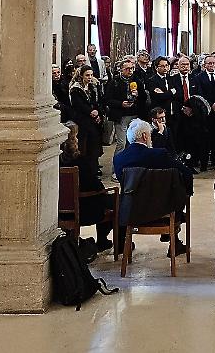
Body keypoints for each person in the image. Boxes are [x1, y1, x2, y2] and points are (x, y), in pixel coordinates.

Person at [113, 119, 194, 256]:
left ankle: (123, 243)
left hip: (132, 210)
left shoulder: (119, 159)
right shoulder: (159, 155)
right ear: (145, 136)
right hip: (162, 208)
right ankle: (174, 237)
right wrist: (187, 193)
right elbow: (186, 173)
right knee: (178, 194)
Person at [59, 121, 114, 250]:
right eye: (76, 136)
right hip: (85, 210)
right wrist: (103, 190)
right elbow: (95, 186)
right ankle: (102, 240)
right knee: (114, 200)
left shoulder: (53, 162)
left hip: (58, 210)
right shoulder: (81, 162)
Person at [104, 57, 145, 179]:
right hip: (121, 116)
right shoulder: (114, 82)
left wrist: (138, 95)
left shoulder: (137, 81)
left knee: (132, 144)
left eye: (132, 68)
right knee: (121, 143)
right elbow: (107, 99)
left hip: (134, 115)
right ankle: (116, 170)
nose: (130, 71)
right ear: (121, 69)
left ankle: (130, 168)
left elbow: (144, 98)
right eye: (127, 69)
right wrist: (121, 104)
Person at [68, 66, 105, 169]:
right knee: (85, 146)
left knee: (94, 144)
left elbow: (96, 102)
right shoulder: (76, 89)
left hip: (93, 119)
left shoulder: (92, 87)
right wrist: (90, 112)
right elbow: (78, 104)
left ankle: (94, 165)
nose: (90, 77)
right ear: (81, 76)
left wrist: (98, 113)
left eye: (91, 75)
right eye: (87, 75)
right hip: (82, 120)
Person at [168, 55, 202, 169]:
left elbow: (198, 96)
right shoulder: (173, 79)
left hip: (193, 115)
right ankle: (180, 164)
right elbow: (172, 97)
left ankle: (191, 163)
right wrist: (183, 108)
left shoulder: (195, 78)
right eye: (182, 64)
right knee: (179, 139)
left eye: (187, 64)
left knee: (192, 140)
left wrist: (192, 109)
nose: (185, 67)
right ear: (178, 66)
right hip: (178, 114)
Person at [146, 56, 176, 121]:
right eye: (162, 66)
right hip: (159, 112)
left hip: (172, 111)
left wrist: (166, 94)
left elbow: (177, 93)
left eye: (167, 65)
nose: (165, 68)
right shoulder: (152, 80)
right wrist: (171, 92)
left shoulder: (172, 78)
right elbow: (160, 97)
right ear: (156, 67)